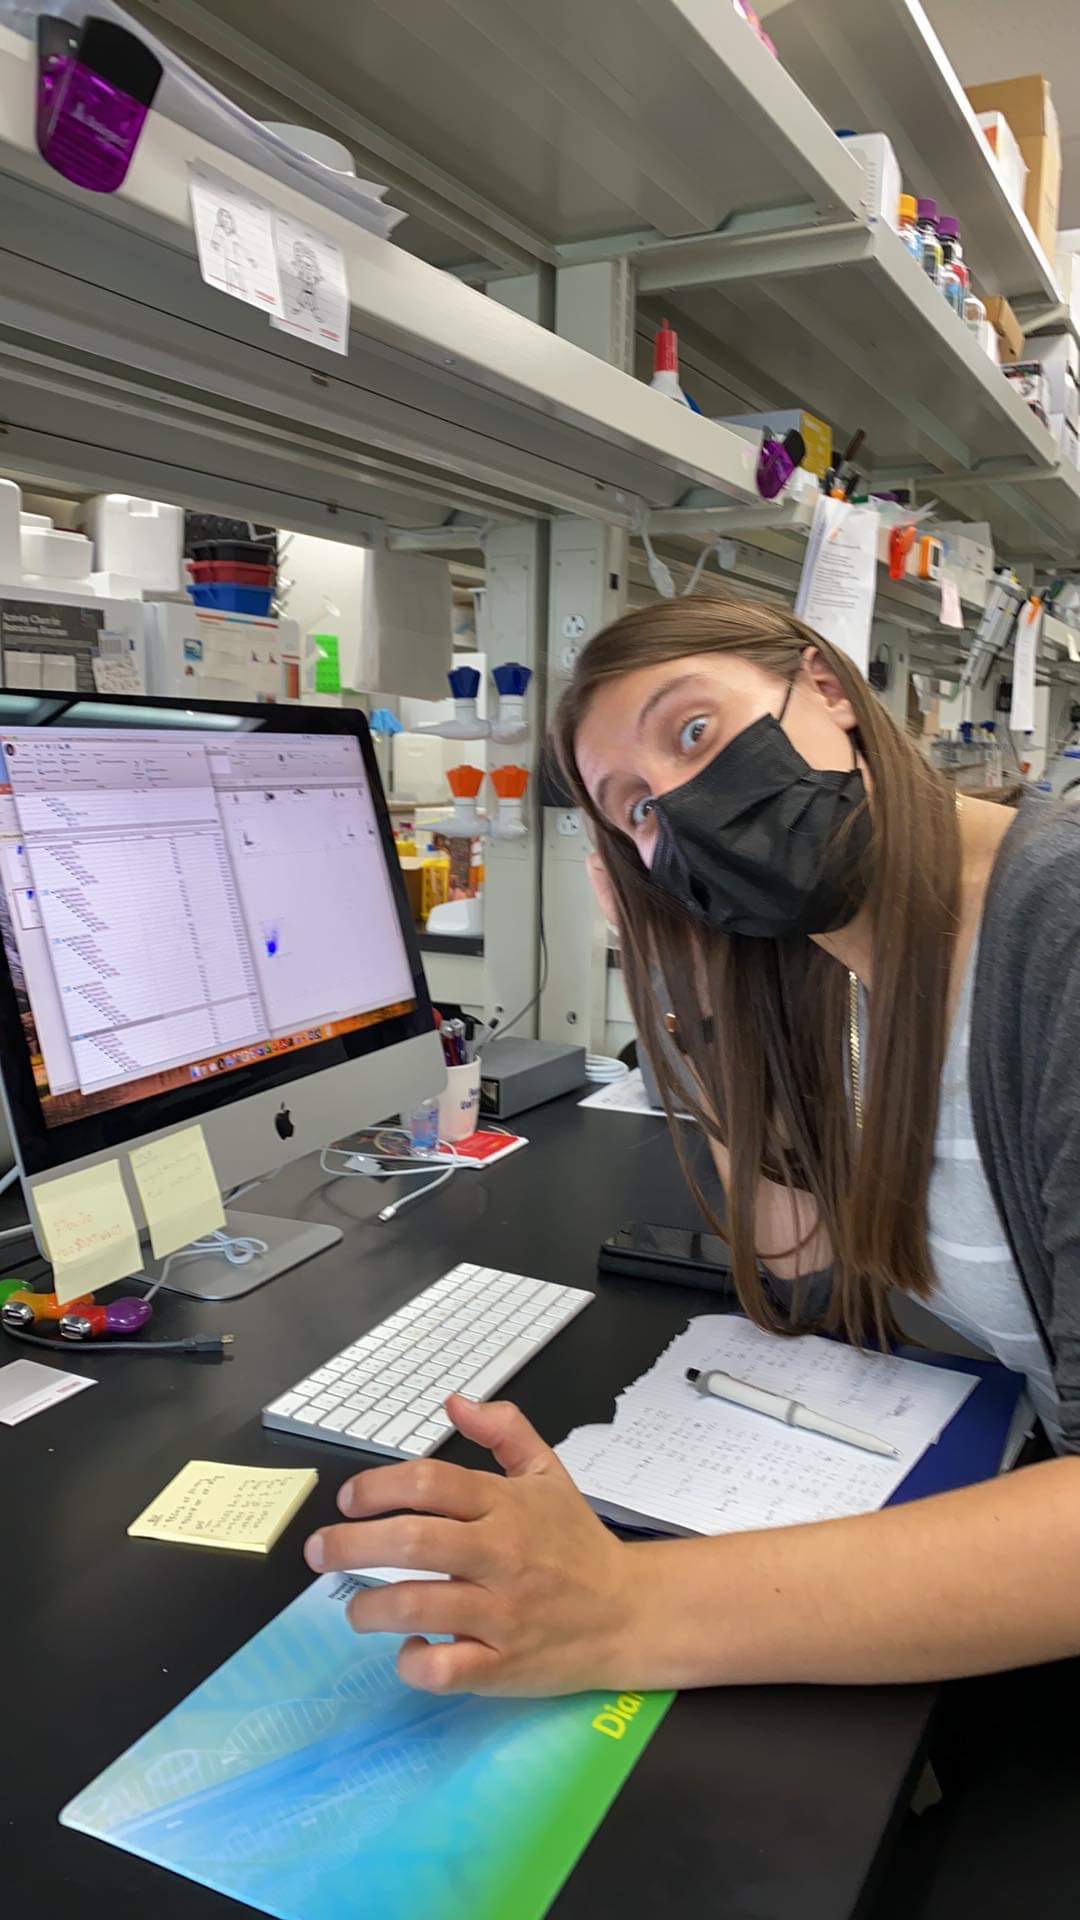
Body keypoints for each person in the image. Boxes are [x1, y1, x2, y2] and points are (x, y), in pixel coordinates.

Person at [306, 599, 1080, 1698]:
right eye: (637, 809)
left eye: (695, 731)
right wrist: (691, 975)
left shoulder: (1057, 924)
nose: (685, 805)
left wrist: (619, 1607)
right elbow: (800, 1259)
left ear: (825, 688)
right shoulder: (837, 947)